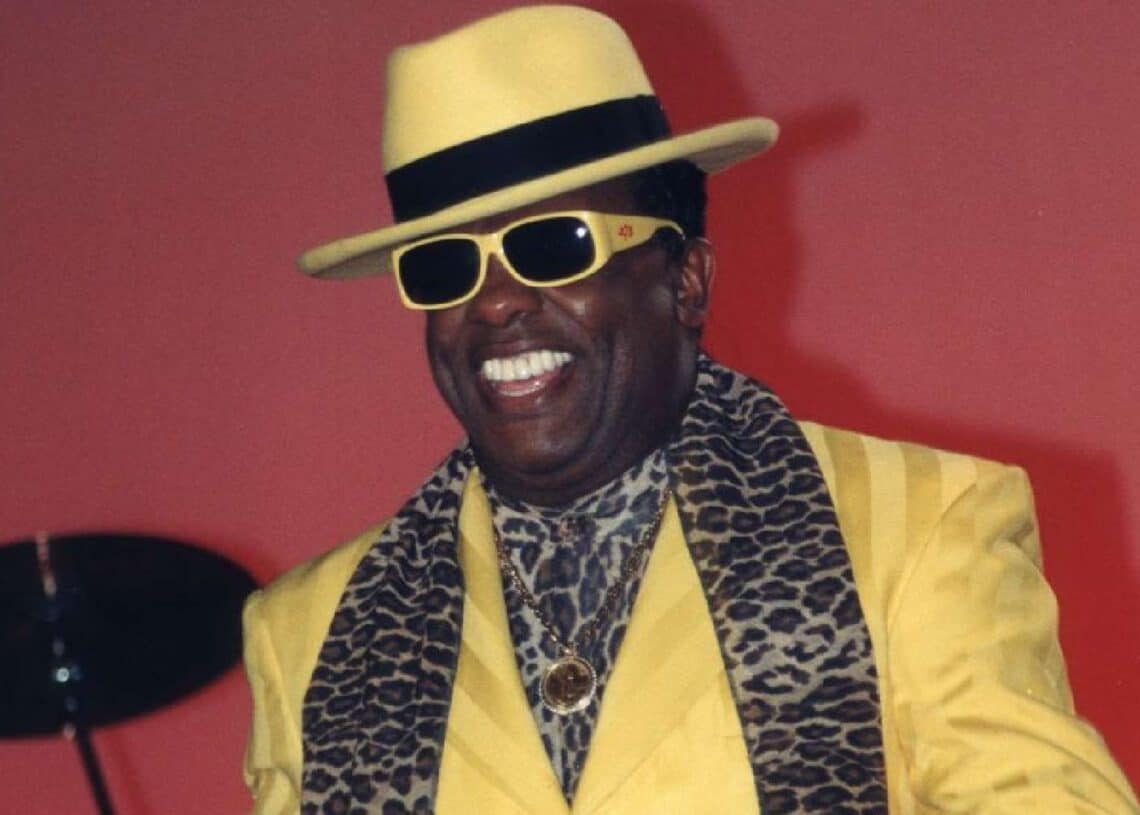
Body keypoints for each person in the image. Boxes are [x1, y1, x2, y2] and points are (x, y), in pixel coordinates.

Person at [241, 6, 1138, 814]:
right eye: (445, 266)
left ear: (686, 278)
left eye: (553, 245)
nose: (497, 301)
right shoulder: (307, 634)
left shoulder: (919, 530)